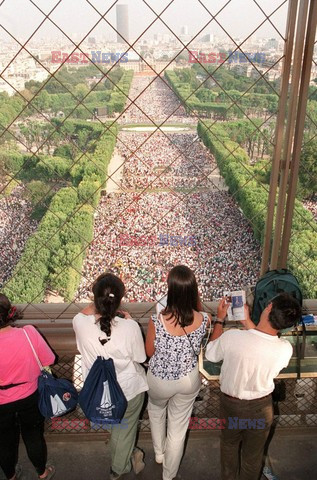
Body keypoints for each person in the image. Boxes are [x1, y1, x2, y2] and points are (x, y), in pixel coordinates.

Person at [206, 292, 302, 480]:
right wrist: (248, 322)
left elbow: (210, 354)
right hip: (261, 408)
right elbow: (260, 341)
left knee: (229, 446)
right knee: (253, 456)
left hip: (232, 406)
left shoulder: (232, 338)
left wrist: (219, 319)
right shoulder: (285, 349)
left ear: (268, 308)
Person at [72, 272, 148, 480]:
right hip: (128, 390)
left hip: (97, 390)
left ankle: (125, 448)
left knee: (118, 428)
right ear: (120, 300)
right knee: (125, 428)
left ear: (95, 297)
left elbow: (84, 313)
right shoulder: (130, 327)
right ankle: (118, 469)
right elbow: (140, 357)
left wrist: (100, 302)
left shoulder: (79, 322)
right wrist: (129, 321)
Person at [145, 265, 210, 480]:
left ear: (170, 291)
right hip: (188, 380)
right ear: (194, 291)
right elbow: (202, 331)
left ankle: (158, 453)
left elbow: (149, 352)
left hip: (159, 380)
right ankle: (168, 476)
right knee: (177, 431)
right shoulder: (204, 319)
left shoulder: (157, 321)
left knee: (156, 411)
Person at [0, 293, 56, 480]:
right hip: (30, 396)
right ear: (9, 312)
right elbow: (50, 359)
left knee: (4, 442)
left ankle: (11, 476)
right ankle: (42, 472)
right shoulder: (28, 333)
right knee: (33, 436)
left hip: (1, 402)